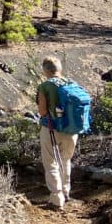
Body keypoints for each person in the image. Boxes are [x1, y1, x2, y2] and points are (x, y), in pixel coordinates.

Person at [36, 56, 78, 211]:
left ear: (45, 70)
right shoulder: (72, 83)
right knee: (65, 160)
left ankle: (56, 197)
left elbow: (42, 111)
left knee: (51, 162)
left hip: (52, 128)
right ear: (59, 69)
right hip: (72, 130)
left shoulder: (45, 86)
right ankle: (66, 192)